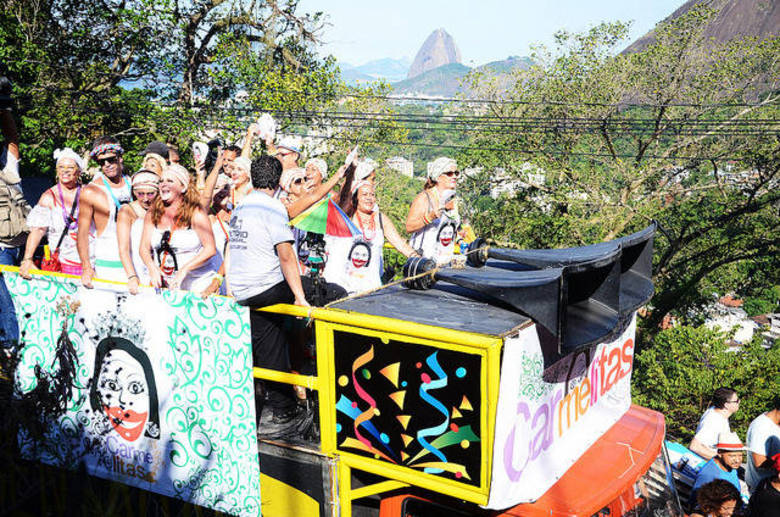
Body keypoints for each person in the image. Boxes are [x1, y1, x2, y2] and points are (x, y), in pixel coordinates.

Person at [226, 156, 310, 431]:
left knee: (267, 343)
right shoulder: (274, 208)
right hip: (264, 287)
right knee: (321, 293)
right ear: (277, 181)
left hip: (242, 288)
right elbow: (286, 255)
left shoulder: (242, 206)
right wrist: (300, 297)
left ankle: (284, 402)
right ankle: (286, 406)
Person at [326, 179, 419, 294]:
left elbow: (400, 244)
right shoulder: (346, 216)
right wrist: (351, 170)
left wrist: (418, 259)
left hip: (370, 287)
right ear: (355, 198)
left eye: (372, 195)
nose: (369, 198)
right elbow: (344, 197)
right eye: (364, 194)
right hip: (343, 287)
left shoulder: (380, 219)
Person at [139, 164, 216, 291]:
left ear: (183, 187)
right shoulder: (153, 213)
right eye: (161, 181)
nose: (164, 184)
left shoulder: (196, 213)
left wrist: (185, 269)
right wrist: (152, 268)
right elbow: (143, 248)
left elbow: (210, 249)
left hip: (197, 284)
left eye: (170, 181)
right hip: (167, 285)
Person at [20, 148, 88, 278]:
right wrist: (27, 259)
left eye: (70, 167)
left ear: (78, 171)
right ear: (57, 171)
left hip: (90, 261)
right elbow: (38, 230)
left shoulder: (89, 192)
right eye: (61, 167)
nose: (65, 170)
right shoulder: (48, 197)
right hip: (62, 262)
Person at [77, 136, 133, 286]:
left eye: (111, 159)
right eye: (102, 162)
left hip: (136, 261)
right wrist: (87, 267)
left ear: (120, 157)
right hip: (109, 262)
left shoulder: (134, 183)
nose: (107, 165)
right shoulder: (91, 191)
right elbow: (82, 233)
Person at [0, 101, 29, 350]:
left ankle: (10, 343)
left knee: (7, 294)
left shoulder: (9, 168)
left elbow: (12, 137)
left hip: (7, 245)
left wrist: (4, 108)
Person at [406, 156, 461, 265]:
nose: (454, 176)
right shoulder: (424, 198)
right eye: (449, 173)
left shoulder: (452, 199)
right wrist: (429, 217)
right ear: (438, 177)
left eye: (456, 173)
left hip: (446, 262)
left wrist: (460, 237)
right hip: (423, 262)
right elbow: (409, 227)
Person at [117, 169, 159, 294]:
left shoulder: (162, 209)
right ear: (134, 192)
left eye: (150, 194)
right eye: (140, 194)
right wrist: (132, 276)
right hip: (136, 268)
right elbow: (123, 249)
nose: (145, 199)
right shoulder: (127, 211)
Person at [690, 431, 747, 510]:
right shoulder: (711, 475)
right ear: (720, 453)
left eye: (740, 455)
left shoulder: (730, 466)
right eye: (732, 456)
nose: (737, 460)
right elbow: (700, 505)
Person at [690, 387, 740, 460]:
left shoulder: (718, 412)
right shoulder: (714, 421)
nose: (739, 402)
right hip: (706, 466)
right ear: (726, 405)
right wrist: (722, 459)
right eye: (736, 401)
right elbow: (694, 446)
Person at [745, 396, 780, 490]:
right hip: (764, 490)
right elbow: (759, 462)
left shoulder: (776, 424)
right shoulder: (761, 427)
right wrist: (777, 461)